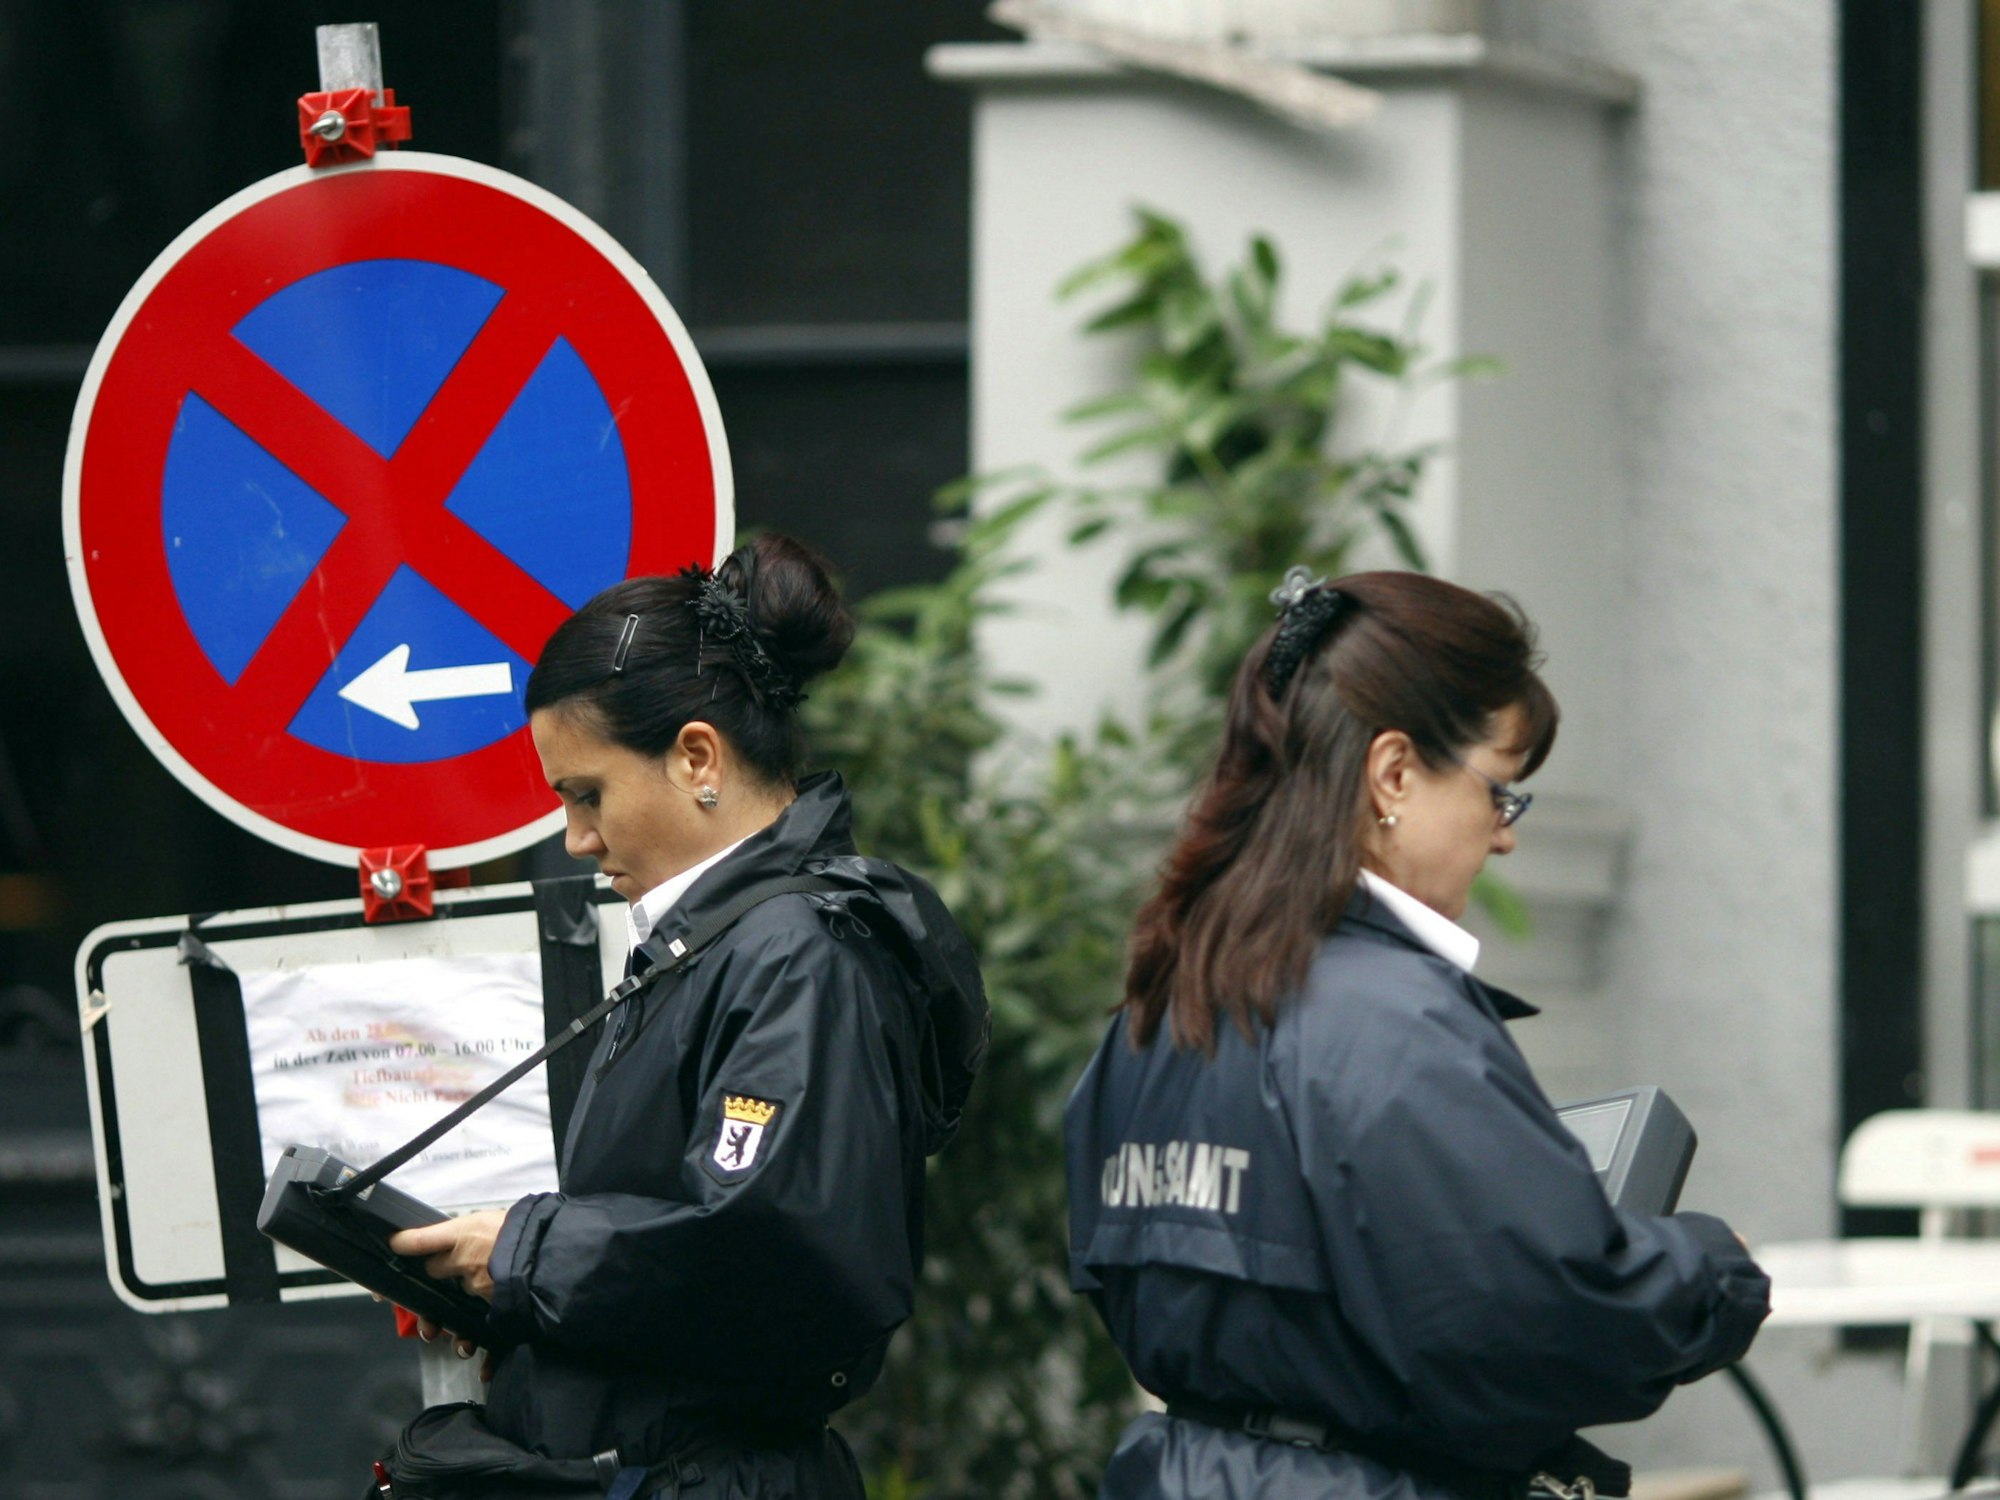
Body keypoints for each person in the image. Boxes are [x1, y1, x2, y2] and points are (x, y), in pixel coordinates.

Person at [1065, 568, 1770, 1500]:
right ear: (1393, 773)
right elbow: (1541, 1323)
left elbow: (1110, 1274)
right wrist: (1715, 1269)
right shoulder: (1395, 1020)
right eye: (1500, 793)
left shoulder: (1158, 1009)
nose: (1505, 836)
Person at [386, 534, 988, 1497]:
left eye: (588, 795)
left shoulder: (795, 953)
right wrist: (514, 1299)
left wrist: (524, 1254)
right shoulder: (719, 942)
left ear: (696, 756)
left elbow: (767, 1260)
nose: (576, 838)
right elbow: (676, 1253)